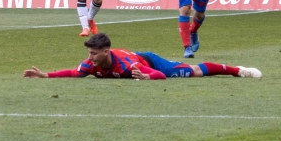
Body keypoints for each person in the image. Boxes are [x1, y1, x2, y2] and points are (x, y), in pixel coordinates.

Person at [23, 33, 262, 79]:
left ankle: (238, 70)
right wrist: (45, 75)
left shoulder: (128, 65)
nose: (90, 57)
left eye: (94, 53)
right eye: (89, 53)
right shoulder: (91, 64)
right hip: (139, 62)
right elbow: (74, 73)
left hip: (150, 61)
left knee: (194, 72)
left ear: (106, 52)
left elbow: (159, 75)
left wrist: (148, 78)